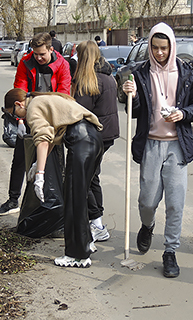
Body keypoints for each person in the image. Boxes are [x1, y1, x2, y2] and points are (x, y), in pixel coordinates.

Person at [122, 22, 193, 278]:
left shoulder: (187, 73)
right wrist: (131, 96)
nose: (159, 53)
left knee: (175, 202)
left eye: (163, 48)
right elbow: (132, 112)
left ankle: (170, 251)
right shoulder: (139, 74)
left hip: (177, 146)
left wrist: (183, 113)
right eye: (155, 48)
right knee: (147, 200)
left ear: (171, 47)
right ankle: (147, 225)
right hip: (150, 143)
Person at [3, 88, 103, 267]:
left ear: (19, 104)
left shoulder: (33, 107)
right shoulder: (45, 99)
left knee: (72, 198)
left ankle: (77, 255)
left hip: (81, 142)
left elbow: (42, 139)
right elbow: (50, 139)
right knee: (78, 196)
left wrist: (40, 175)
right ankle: (86, 241)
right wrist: (37, 165)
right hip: (93, 138)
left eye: (15, 114)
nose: (19, 118)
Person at [0, 32, 71, 216]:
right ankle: (13, 200)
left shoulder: (63, 66)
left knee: (52, 162)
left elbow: (63, 95)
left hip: (53, 119)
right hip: (28, 117)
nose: (38, 58)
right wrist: (20, 120)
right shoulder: (26, 62)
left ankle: (53, 204)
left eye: (42, 54)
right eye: (35, 54)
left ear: (51, 49)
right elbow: (20, 91)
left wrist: (53, 122)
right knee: (20, 159)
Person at [71, 40, 119, 242]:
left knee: (86, 178)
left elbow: (79, 112)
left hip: (92, 136)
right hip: (106, 135)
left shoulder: (89, 81)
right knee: (93, 177)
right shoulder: (108, 77)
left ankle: (97, 222)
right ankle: (96, 220)